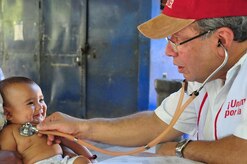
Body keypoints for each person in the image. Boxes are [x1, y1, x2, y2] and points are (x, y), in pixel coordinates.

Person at [37, 0, 247, 163]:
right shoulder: (207, 77)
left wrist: (182, 148)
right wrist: (81, 127)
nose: (168, 51)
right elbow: (158, 124)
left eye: (177, 40)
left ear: (222, 40)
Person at [0, 76, 94, 164]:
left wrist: (88, 156)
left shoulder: (48, 124)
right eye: (30, 103)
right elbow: (10, 158)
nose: (40, 106)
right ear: (8, 114)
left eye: (41, 100)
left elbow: (70, 141)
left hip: (61, 161)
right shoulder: (10, 132)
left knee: (82, 161)